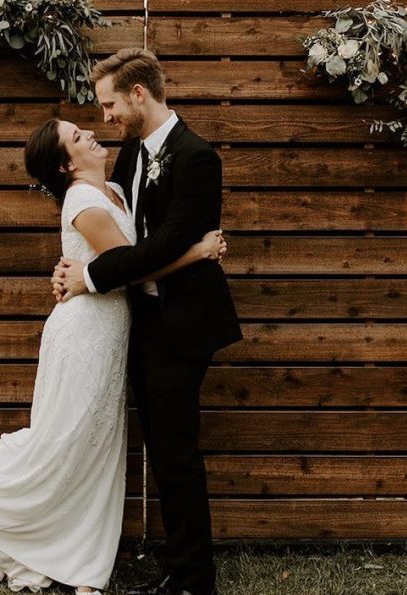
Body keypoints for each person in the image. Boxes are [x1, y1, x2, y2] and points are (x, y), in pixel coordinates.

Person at [0, 114, 227, 594]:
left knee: (91, 451)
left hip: (112, 336)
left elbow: (134, 253)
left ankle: (75, 553)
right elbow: (130, 266)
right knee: (63, 443)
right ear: (66, 164)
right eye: (77, 136)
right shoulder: (83, 200)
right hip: (83, 336)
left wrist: (85, 273)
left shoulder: (115, 189)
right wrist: (197, 251)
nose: (90, 133)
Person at [54, 48, 242, 595]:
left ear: (138, 95)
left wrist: (88, 277)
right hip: (143, 317)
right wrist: (84, 267)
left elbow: (163, 244)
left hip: (183, 322)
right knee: (160, 448)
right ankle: (176, 566)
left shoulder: (197, 157)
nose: (106, 117)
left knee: (176, 451)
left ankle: (193, 579)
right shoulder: (135, 149)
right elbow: (130, 241)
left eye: (110, 104)